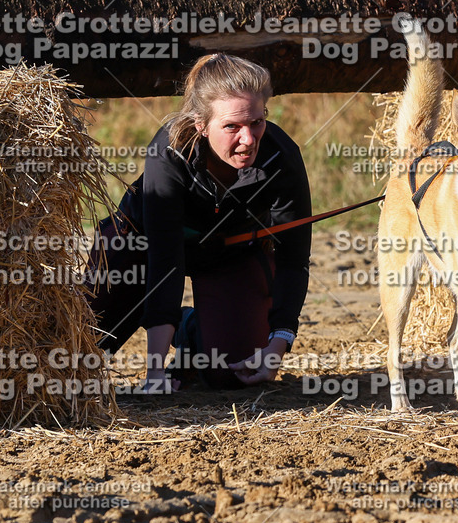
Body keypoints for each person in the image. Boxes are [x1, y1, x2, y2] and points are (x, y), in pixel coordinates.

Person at [88, 53, 311, 392]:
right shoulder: (167, 153)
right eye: (232, 127)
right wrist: (154, 372)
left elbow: (293, 261)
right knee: (77, 357)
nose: (249, 139)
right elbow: (165, 259)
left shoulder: (282, 156)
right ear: (201, 125)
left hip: (228, 254)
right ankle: (144, 320)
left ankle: (192, 331)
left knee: (232, 373)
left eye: (257, 121)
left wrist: (277, 346)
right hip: (142, 251)